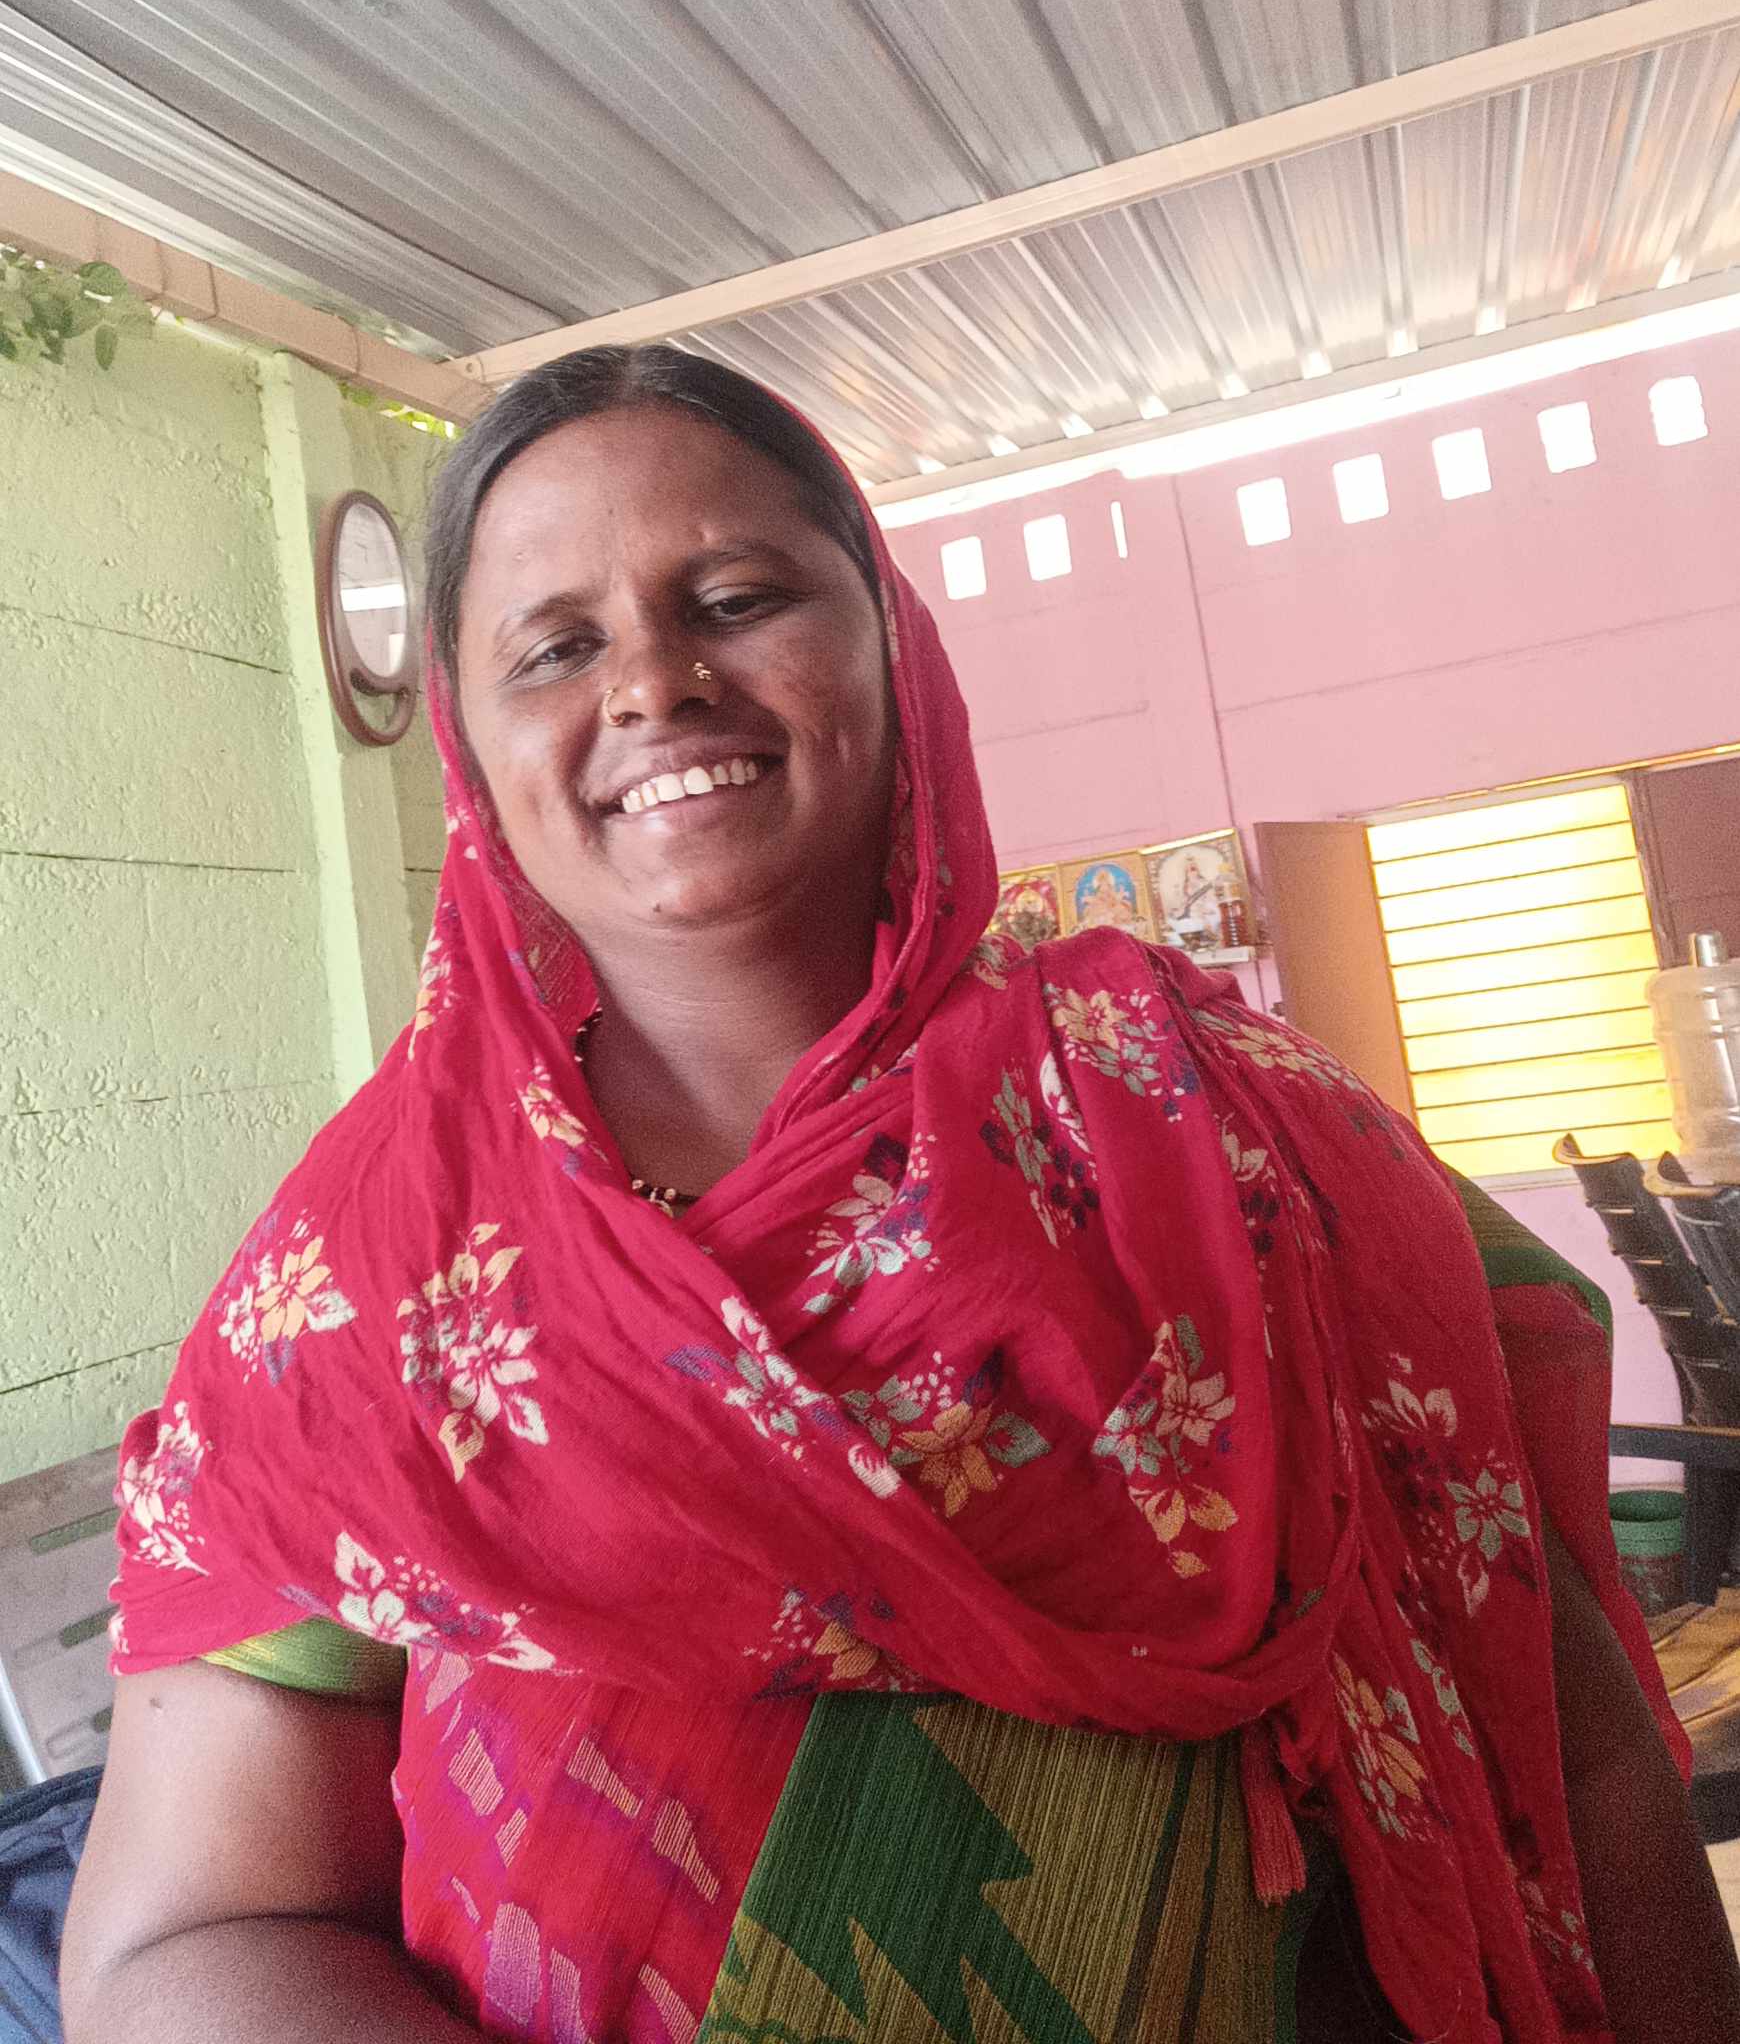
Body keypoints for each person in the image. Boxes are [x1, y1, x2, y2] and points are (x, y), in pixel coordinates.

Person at [61, 346, 1739, 2044]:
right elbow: (182, 1940)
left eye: (736, 598)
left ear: (893, 642)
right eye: (556, 646)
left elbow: (1582, 1759)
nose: (655, 684)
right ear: (470, 745)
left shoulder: (1241, 1129)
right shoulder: (362, 1277)